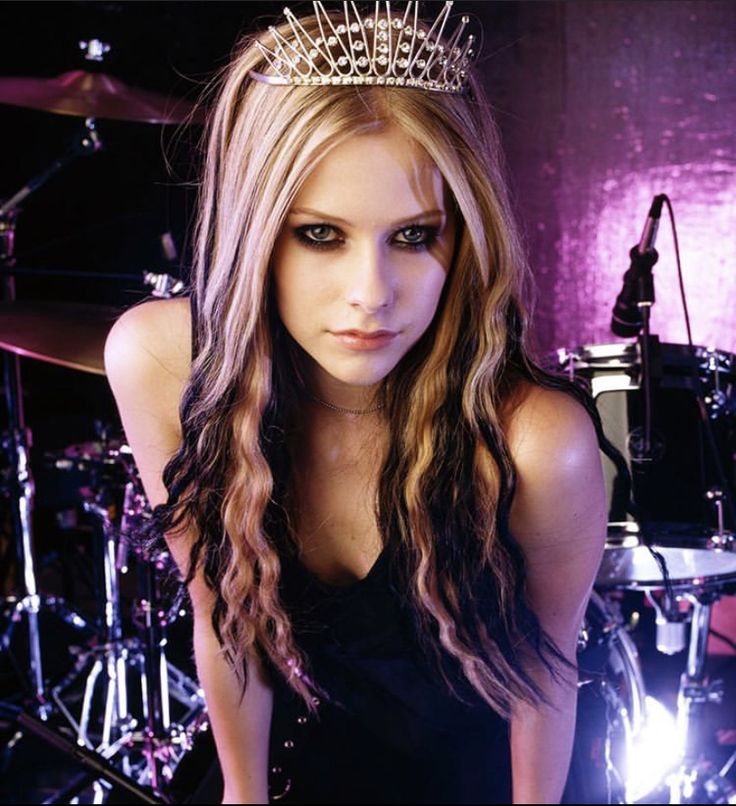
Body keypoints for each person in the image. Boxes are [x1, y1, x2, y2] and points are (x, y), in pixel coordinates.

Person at [104, 3, 608, 803]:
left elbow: (544, 679)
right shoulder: (162, 361)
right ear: (255, 234)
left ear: (465, 236)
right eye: (320, 235)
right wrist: (242, 795)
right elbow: (224, 620)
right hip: (287, 771)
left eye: (413, 236)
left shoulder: (539, 442)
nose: (371, 295)